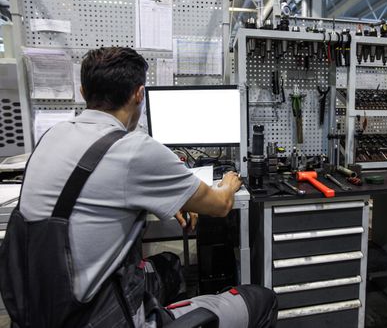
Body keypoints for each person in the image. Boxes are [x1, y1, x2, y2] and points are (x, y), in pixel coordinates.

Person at [0, 47, 277, 327]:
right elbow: (220, 206)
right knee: (261, 299)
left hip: (45, 310)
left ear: (83, 92)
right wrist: (229, 183)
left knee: (171, 264)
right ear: (138, 95)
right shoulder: (133, 150)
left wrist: (177, 197)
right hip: (101, 317)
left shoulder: (53, 136)